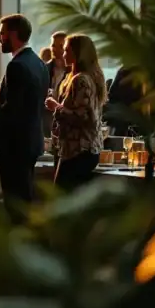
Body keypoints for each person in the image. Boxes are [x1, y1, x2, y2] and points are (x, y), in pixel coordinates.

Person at [0, 14, 48, 223]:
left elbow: (13, 110)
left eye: (1, 34)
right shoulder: (39, 64)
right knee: (25, 198)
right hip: (31, 142)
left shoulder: (17, 66)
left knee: (14, 203)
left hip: (14, 146)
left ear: (13, 34)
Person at [45, 34, 106, 191]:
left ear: (78, 53)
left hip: (78, 149)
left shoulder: (81, 80)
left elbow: (82, 117)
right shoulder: (85, 77)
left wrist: (55, 107)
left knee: (60, 197)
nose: (63, 54)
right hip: (83, 149)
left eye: (67, 50)